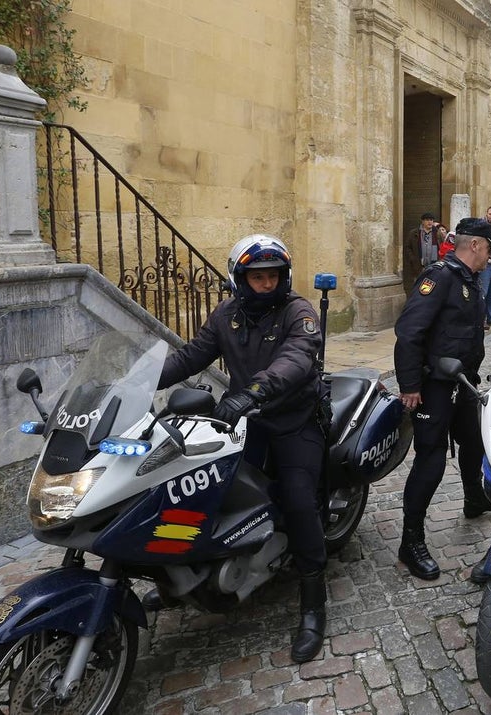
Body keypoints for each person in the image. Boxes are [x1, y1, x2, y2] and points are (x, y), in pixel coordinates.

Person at [153, 234, 330, 663]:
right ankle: (188, 574)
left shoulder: (298, 312)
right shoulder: (226, 315)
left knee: (298, 500)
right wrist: (138, 381)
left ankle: (313, 601)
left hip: (293, 420)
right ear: (240, 279)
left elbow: (296, 359)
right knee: (205, 489)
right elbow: (191, 356)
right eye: (257, 277)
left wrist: (252, 392)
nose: (266, 284)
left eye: (273, 276)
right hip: (245, 422)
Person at [394, 218, 491, 581]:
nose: (490, 257)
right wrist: (410, 385)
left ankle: (474, 498)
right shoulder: (439, 277)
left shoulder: (468, 279)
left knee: (474, 441)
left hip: (463, 382)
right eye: (488, 250)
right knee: (431, 460)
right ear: (475, 246)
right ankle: (411, 541)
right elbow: (409, 332)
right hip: (435, 387)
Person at [404, 212, 441, 293]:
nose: (430, 222)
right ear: (422, 221)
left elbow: (443, 244)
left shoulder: (437, 232)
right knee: (418, 288)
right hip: (419, 266)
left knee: (433, 289)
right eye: (427, 220)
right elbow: (407, 247)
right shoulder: (414, 233)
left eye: (431, 220)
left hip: (434, 266)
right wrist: (413, 259)